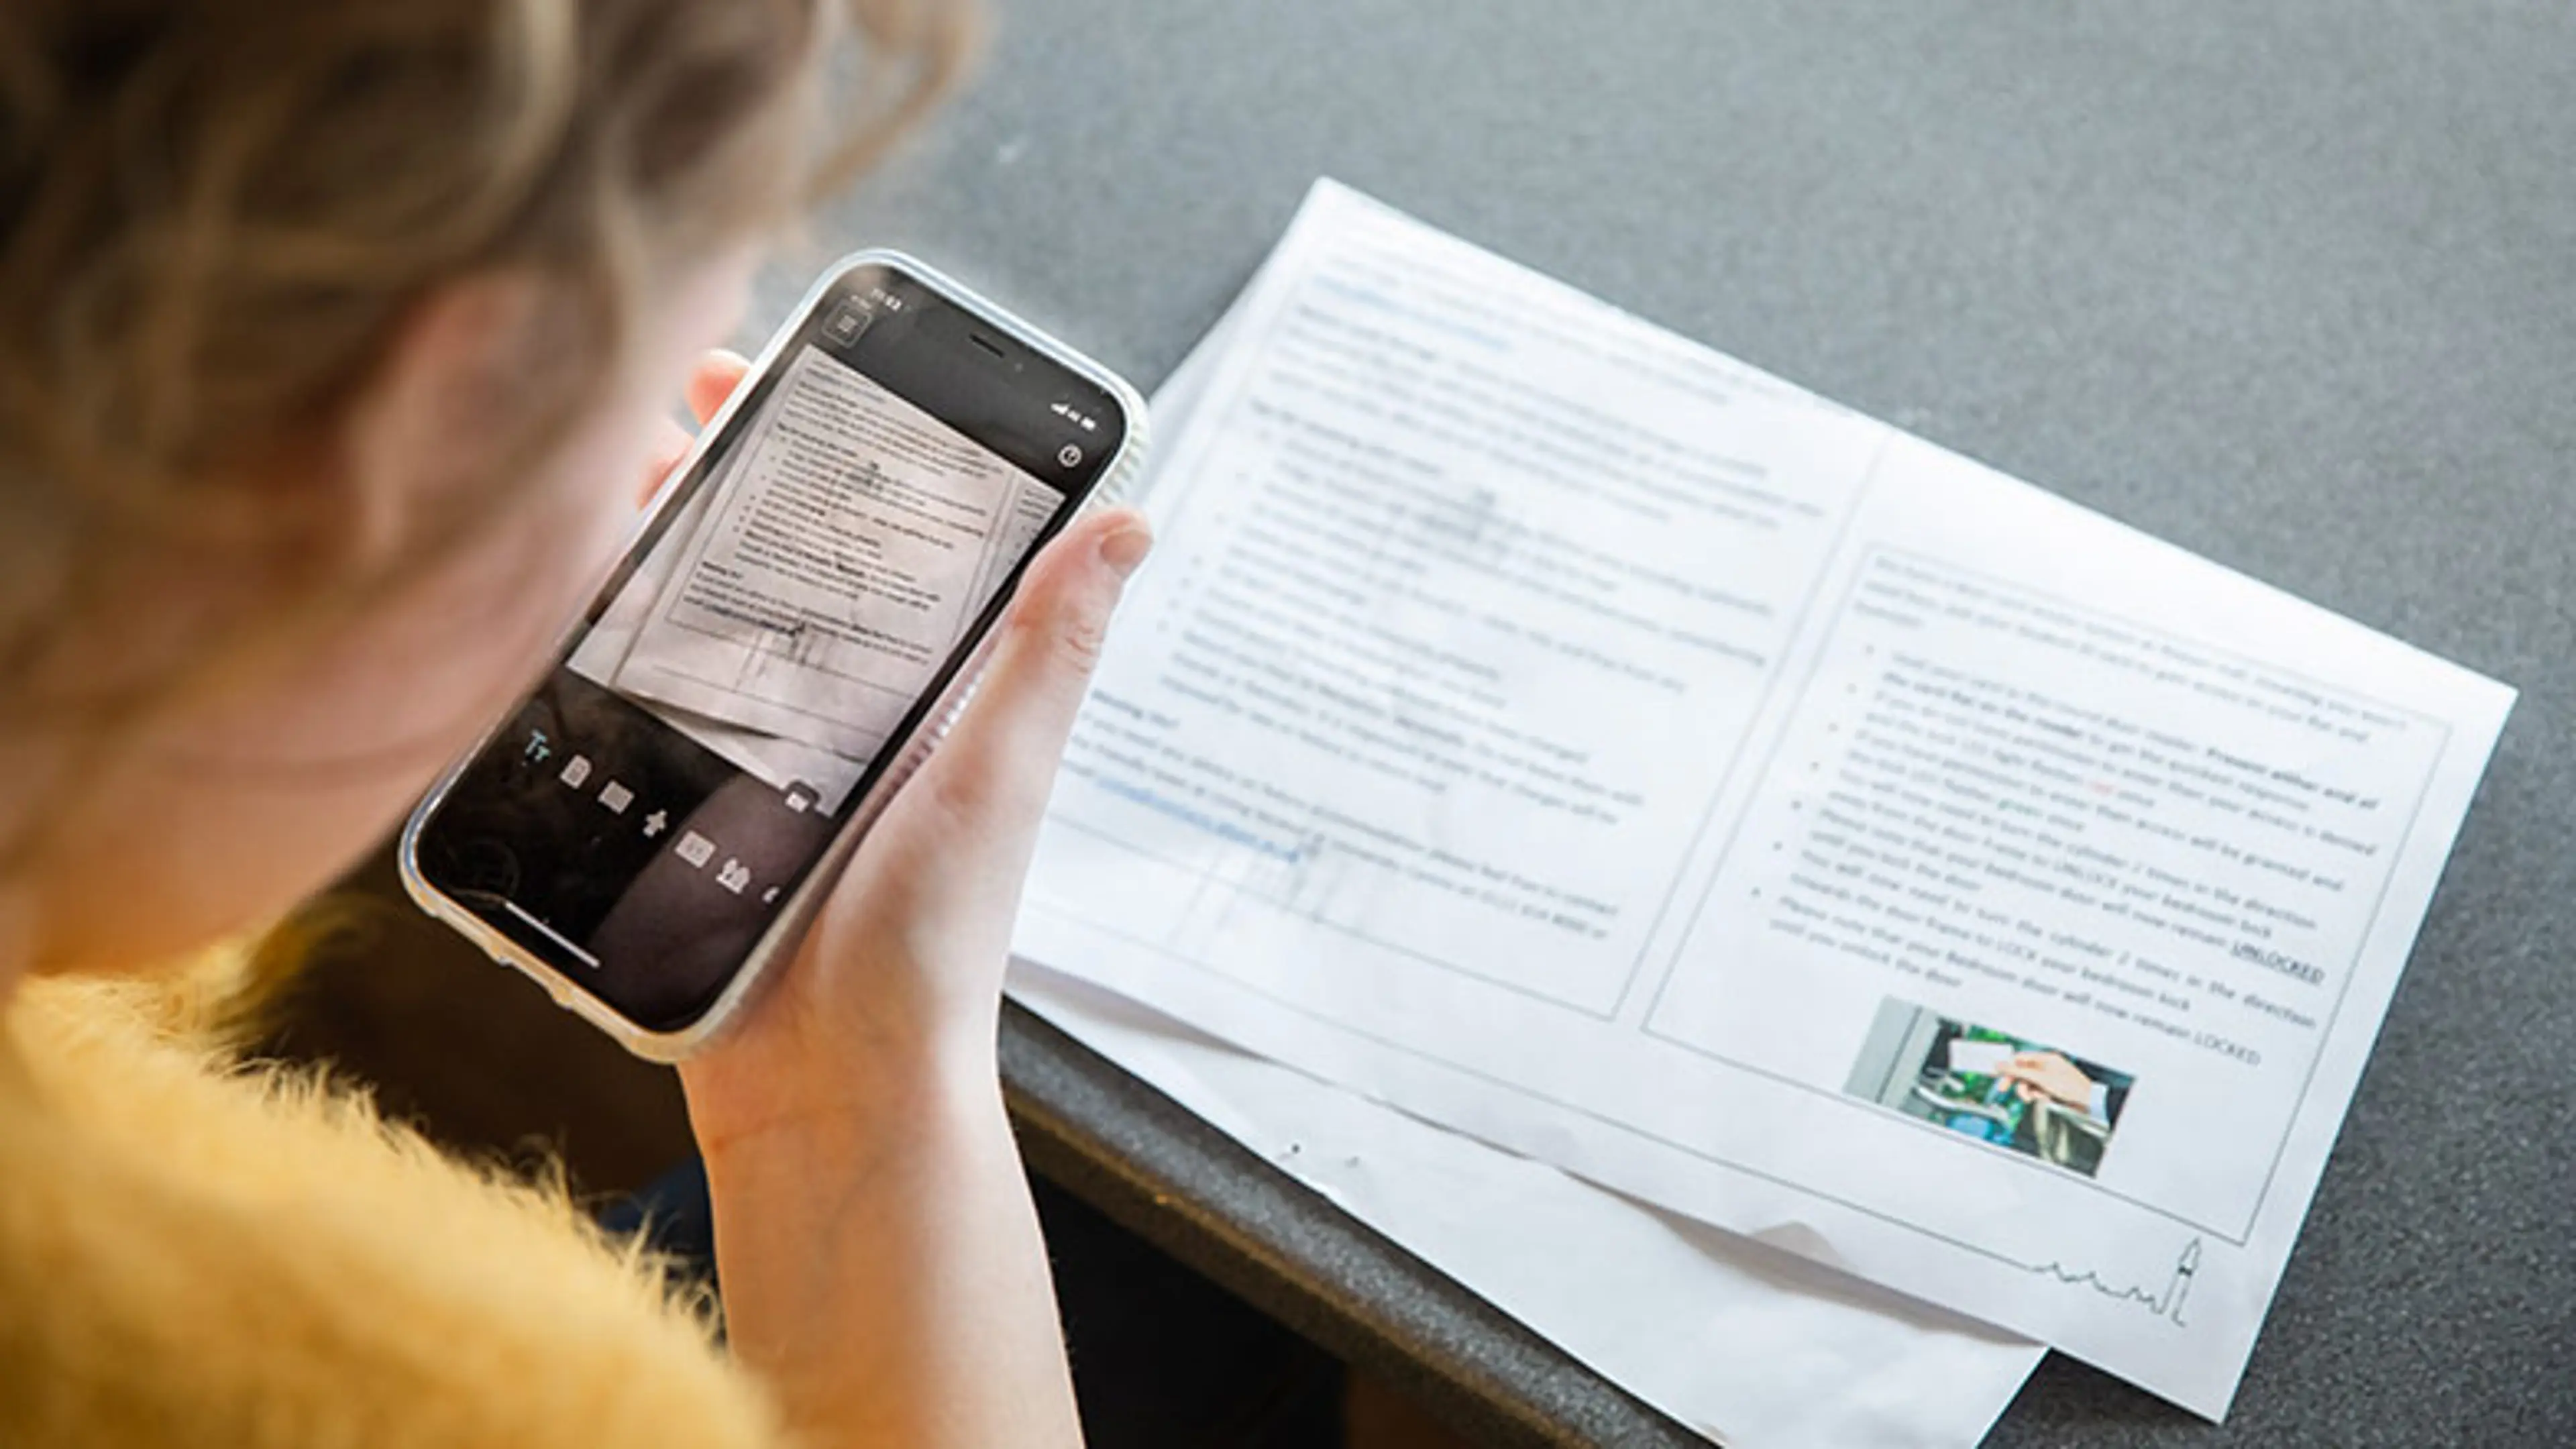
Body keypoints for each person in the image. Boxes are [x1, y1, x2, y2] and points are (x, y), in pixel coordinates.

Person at [0, 1, 1191, 1444]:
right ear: (431, 424)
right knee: (1168, 1297)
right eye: (635, 407)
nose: (651, 487)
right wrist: (866, 1105)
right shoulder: (455, 1403)